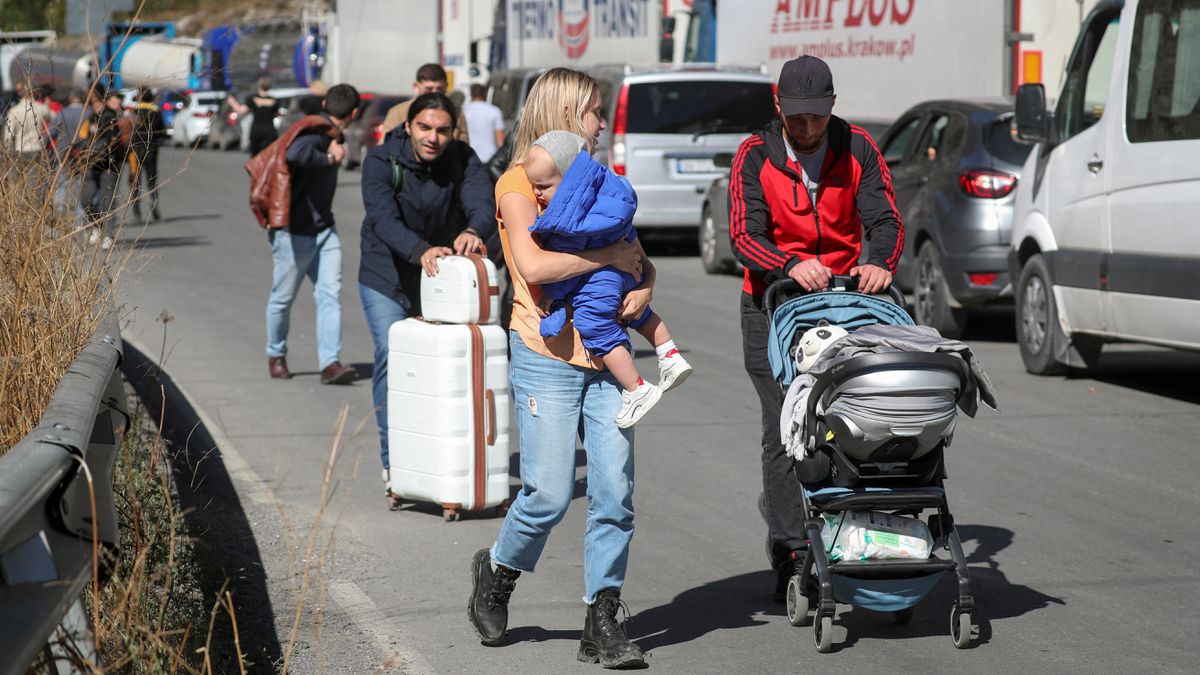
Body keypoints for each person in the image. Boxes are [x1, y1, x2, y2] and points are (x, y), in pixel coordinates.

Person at [466, 67, 650, 669]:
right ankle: (496, 572)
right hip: (546, 358)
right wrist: (609, 256)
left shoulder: (599, 179)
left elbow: (637, 259)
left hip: (606, 356)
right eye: (596, 111)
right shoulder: (518, 184)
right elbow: (535, 266)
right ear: (569, 113)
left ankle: (602, 619)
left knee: (614, 492)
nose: (602, 123)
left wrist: (646, 285)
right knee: (546, 494)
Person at [727, 55, 904, 598]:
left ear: (832, 106)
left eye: (816, 118)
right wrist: (787, 263)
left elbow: (886, 219)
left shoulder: (858, 149)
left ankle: (858, 524)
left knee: (858, 414)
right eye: (796, 118)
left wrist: (880, 262)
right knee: (786, 424)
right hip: (774, 304)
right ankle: (790, 547)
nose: (806, 130)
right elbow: (742, 233)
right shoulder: (754, 156)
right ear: (778, 106)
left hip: (848, 302)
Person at [358, 92, 496, 500]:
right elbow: (381, 218)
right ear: (408, 127)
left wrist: (473, 232)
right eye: (424, 127)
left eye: (442, 130)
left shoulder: (464, 159)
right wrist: (420, 250)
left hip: (437, 281)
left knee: (439, 369)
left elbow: (483, 205)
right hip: (387, 273)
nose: (433, 137)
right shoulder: (381, 161)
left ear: (452, 132)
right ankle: (393, 461)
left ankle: (436, 460)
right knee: (394, 354)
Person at [523, 130, 693, 428]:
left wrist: (551, 295)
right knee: (639, 313)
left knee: (595, 325)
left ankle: (636, 388)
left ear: (569, 183)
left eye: (543, 187)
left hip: (598, 282)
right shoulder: (609, 195)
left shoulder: (570, 220)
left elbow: (568, 267)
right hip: (629, 270)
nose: (536, 194)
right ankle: (670, 354)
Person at [264, 83, 361, 385]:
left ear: (325, 102)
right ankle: (276, 354)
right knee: (283, 297)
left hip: (324, 230)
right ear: (354, 113)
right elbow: (295, 154)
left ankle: (330, 363)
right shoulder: (314, 132)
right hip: (293, 232)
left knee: (330, 295)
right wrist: (331, 158)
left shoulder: (327, 131)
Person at [79, 90, 126, 249]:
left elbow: (121, 141)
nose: (116, 105)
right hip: (92, 163)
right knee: (85, 199)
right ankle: (97, 225)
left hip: (110, 164)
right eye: (114, 102)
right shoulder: (94, 117)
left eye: (118, 103)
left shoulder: (119, 119)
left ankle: (107, 234)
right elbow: (84, 138)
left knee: (107, 201)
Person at [379, 63, 469, 142]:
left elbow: (464, 149)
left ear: (446, 86)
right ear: (416, 87)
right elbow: (385, 148)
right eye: (429, 89)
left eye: (439, 89)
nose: (434, 93)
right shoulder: (398, 112)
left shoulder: (457, 113)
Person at [129, 88, 166, 221]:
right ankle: (153, 203)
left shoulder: (133, 112)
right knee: (151, 179)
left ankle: (136, 210)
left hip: (135, 150)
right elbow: (163, 132)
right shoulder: (156, 112)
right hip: (151, 149)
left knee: (135, 180)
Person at [229, 77, 280, 155]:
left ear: (259, 86)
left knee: (256, 157)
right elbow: (276, 114)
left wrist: (232, 101)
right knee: (268, 155)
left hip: (257, 130)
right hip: (270, 130)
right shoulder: (274, 100)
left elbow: (240, 110)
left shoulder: (253, 99)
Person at [2, 80, 50, 158]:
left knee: (22, 170)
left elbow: (8, 137)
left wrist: (9, 153)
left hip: (20, 150)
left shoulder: (13, 112)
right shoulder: (41, 108)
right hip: (37, 149)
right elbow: (55, 119)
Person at [463, 83, 504, 163]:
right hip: (489, 157)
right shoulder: (495, 111)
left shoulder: (463, 111)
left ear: (471, 94)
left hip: (469, 156)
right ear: (484, 94)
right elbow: (500, 140)